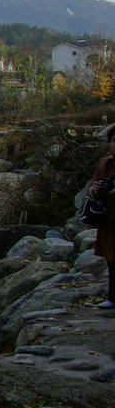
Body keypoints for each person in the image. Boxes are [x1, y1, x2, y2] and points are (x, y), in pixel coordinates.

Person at [88, 123, 115, 308]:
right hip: (108, 219)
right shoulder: (104, 163)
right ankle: (113, 297)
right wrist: (95, 189)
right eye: (114, 140)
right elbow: (91, 188)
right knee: (112, 259)